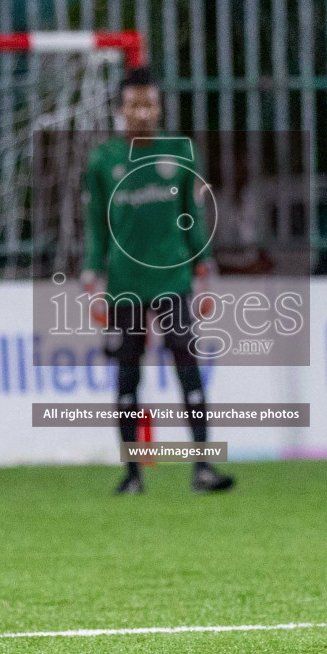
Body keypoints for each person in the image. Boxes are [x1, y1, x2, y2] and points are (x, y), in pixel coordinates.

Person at [81, 66, 235, 496]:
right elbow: (96, 226)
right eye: (134, 105)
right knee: (128, 377)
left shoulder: (181, 153)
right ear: (120, 110)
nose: (142, 112)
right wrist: (90, 273)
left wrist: (204, 264)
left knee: (189, 371)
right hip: (124, 284)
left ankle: (203, 467)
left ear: (159, 107)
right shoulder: (103, 160)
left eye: (149, 104)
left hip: (174, 279)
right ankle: (132, 475)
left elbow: (194, 215)